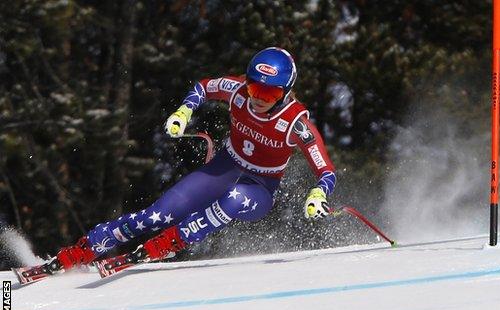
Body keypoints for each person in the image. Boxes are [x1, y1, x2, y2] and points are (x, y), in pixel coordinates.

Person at [43, 47, 337, 273]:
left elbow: (326, 171)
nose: (257, 97)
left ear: (285, 92)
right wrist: (183, 112)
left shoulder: (296, 124)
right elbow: (203, 87)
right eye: (253, 87)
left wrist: (318, 193)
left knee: (233, 199)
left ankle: (170, 242)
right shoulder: (236, 92)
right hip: (225, 167)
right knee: (159, 212)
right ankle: (90, 246)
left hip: (259, 187)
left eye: (268, 92)